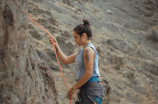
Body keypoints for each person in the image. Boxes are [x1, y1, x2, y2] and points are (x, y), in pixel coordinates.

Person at [49, 20, 104, 104]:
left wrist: (73, 88)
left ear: (84, 35)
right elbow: (65, 60)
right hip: (87, 91)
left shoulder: (88, 50)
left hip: (91, 91)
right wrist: (56, 45)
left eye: (76, 37)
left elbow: (88, 73)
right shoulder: (82, 52)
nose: (75, 40)